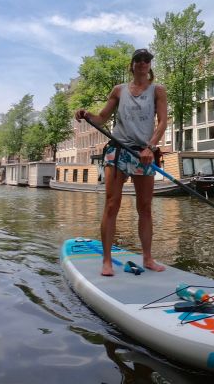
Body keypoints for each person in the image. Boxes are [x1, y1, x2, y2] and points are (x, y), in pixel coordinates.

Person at [75, 48, 168, 276]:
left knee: (145, 208)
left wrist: (150, 147)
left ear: (150, 65)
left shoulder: (158, 91)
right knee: (111, 204)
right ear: (132, 65)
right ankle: (106, 261)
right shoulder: (119, 90)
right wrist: (87, 115)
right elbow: (102, 118)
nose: (143, 63)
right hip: (118, 151)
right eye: (138, 60)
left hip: (143, 154)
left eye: (147, 60)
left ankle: (147, 258)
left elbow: (163, 122)